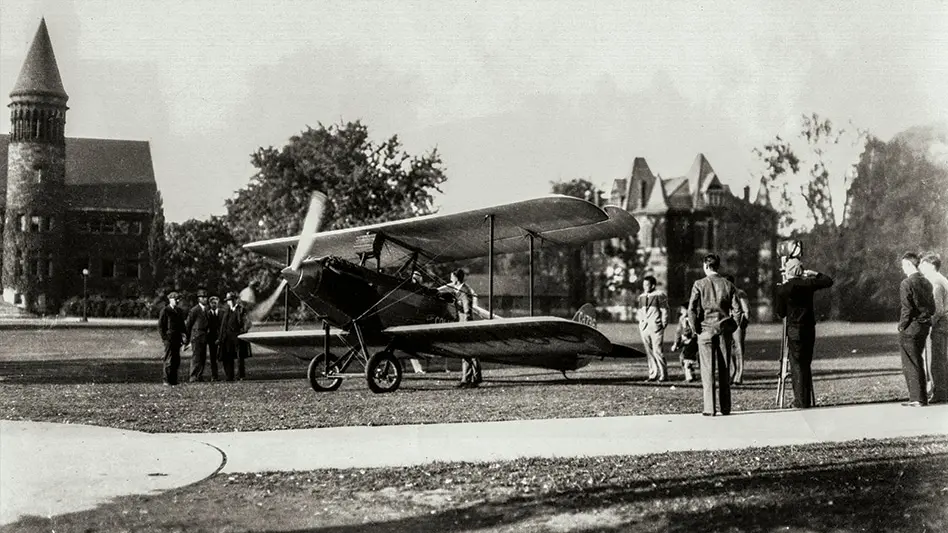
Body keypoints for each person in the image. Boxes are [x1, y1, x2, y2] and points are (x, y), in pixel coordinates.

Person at [688, 253, 743, 416]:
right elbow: (738, 310)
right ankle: (725, 407)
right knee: (724, 369)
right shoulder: (728, 285)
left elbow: (692, 309)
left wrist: (695, 327)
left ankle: (709, 408)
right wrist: (732, 326)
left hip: (705, 330)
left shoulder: (699, 284)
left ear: (705, 266)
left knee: (707, 370)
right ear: (718, 266)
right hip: (723, 330)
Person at [774, 259, 834, 408]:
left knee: (796, 364)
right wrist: (815, 273)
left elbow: (780, 313)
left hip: (794, 328)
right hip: (809, 328)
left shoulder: (784, 289)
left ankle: (800, 401)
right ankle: (805, 398)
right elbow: (828, 281)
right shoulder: (808, 284)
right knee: (806, 363)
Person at [898, 252, 936, 407]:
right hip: (924, 326)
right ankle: (921, 398)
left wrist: (902, 326)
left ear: (908, 264)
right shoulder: (926, 282)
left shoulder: (906, 283)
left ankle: (917, 398)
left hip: (911, 327)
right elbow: (932, 307)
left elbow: (906, 308)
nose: (902, 269)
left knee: (910, 363)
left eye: (903, 265)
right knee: (918, 360)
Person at [441, 269, 481, 387]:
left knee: (470, 352)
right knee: (465, 352)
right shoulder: (458, 290)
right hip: (462, 322)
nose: (450, 279)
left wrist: (465, 326)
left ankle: (475, 379)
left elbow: (467, 310)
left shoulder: (465, 291)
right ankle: (466, 379)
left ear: (456, 278)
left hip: (466, 324)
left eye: (451, 277)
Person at [920, 252, 948, 403]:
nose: (921, 267)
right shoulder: (942, 279)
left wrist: (928, 324)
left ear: (931, 266)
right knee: (942, 358)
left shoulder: (935, 281)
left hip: (941, 325)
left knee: (937, 360)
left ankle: (940, 392)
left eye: (923, 264)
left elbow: (938, 309)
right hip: (944, 324)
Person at [637, 275, 669, 382]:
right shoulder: (641, 296)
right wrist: (641, 323)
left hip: (655, 327)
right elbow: (640, 311)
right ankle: (653, 374)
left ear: (653, 285)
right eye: (644, 285)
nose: (645, 287)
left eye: (647, 285)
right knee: (649, 352)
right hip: (644, 327)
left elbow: (665, 310)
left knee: (658, 351)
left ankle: (664, 374)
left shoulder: (660, 295)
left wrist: (663, 323)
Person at [724, 274, 750, 385]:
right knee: (729, 349)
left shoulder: (739, 293)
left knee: (738, 349)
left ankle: (739, 375)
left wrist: (743, 324)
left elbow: (746, 310)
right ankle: (732, 373)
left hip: (738, 323)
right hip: (727, 323)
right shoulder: (725, 293)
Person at [157, 291, 187, 386]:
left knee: (176, 360)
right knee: (168, 360)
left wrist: (184, 336)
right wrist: (165, 339)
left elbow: (182, 325)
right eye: (176, 299)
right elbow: (161, 326)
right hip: (169, 339)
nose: (177, 301)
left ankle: (173, 379)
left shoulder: (179, 311)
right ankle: (166, 380)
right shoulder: (165, 311)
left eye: (178, 299)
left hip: (177, 339)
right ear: (170, 299)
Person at [219, 291, 249, 382]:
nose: (230, 302)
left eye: (231, 300)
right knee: (228, 356)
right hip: (228, 337)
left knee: (240, 357)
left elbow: (246, 323)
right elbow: (223, 325)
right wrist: (221, 338)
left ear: (235, 300)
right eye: (228, 300)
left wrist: (243, 332)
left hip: (238, 336)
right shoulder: (226, 311)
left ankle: (240, 375)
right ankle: (229, 376)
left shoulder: (241, 310)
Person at [185, 288, 211, 382]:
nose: (205, 299)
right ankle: (193, 376)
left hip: (204, 336)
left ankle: (199, 375)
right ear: (199, 299)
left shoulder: (207, 309)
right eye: (202, 297)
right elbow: (188, 325)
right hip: (196, 336)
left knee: (203, 357)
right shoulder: (194, 310)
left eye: (205, 297)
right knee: (196, 356)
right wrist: (188, 339)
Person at [670, 304, 699, 382]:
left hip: (692, 341)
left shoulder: (693, 317)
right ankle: (691, 375)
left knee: (686, 359)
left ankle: (689, 377)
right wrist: (676, 343)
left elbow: (694, 330)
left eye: (683, 309)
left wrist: (689, 336)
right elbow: (678, 332)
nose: (681, 311)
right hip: (685, 342)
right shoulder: (682, 318)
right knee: (683, 358)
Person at [207, 295, 223, 381]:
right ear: (209, 304)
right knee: (213, 358)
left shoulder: (222, 313)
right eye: (212, 303)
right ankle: (214, 376)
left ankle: (228, 375)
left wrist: (220, 338)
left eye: (215, 303)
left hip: (221, 338)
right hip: (211, 339)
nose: (214, 305)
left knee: (224, 356)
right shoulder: (207, 313)